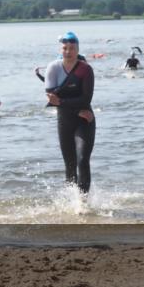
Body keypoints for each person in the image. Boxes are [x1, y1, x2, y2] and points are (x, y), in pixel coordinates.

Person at [44, 31, 97, 194]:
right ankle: (71, 199)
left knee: (82, 160)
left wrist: (62, 102)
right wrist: (74, 107)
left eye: (72, 48)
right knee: (70, 164)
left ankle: (83, 201)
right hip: (65, 121)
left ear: (78, 50)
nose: (68, 51)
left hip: (85, 121)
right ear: (60, 49)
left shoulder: (85, 69)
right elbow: (51, 99)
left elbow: (86, 99)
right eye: (65, 48)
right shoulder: (53, 68)